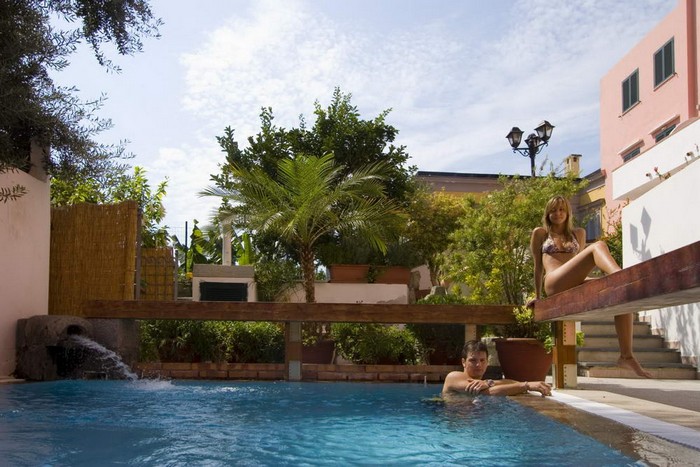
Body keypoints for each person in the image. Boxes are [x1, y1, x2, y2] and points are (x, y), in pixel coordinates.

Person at [529, 195, 652, 378]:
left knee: (621, 292)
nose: (557, 213)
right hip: (554, 283)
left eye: (562, 209)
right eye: (553, 210)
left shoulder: (578, 233)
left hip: (574, 282)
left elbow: (579, 264)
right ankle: (620, 276)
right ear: (547, 213)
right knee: (598, 246)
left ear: (568, 212)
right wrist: (538, 297)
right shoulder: (541, 233)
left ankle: (626, 356)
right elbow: (538, 267)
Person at [442, 340, 552, 397]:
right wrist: (526, 385)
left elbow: (510, 382)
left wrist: (488, 382)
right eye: (473, 360)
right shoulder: (453, 377)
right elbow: (488, 392)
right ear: (463, 362)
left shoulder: (483, 382)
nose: (478, 364)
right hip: (456, 428)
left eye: (482, 360)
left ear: (487, 362)